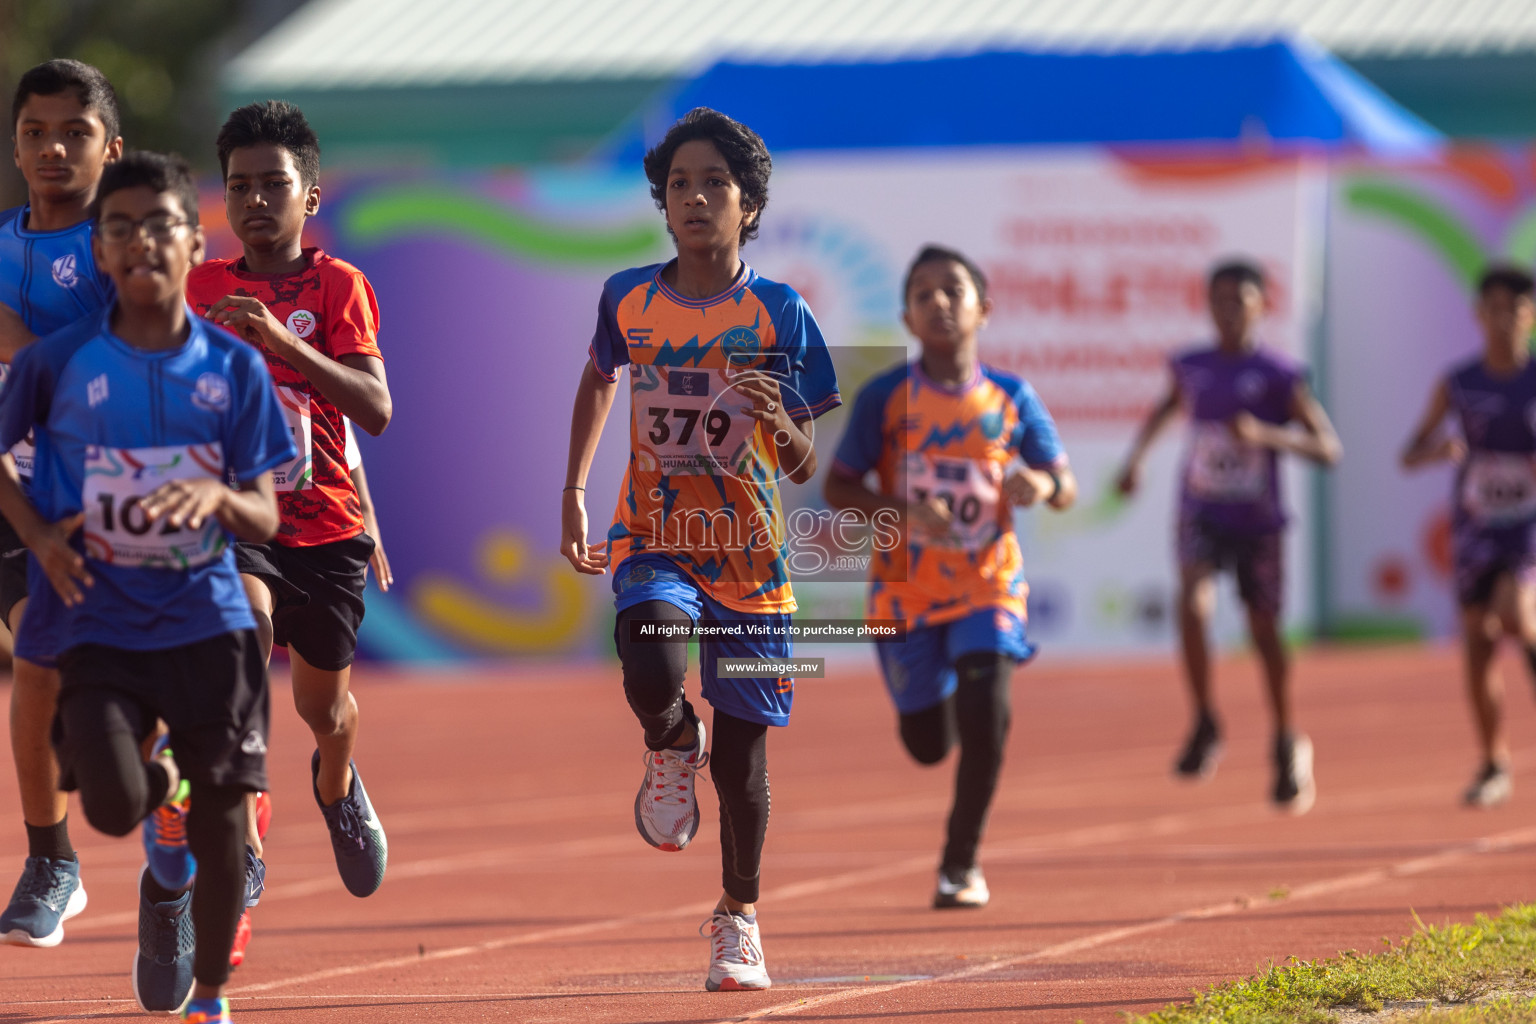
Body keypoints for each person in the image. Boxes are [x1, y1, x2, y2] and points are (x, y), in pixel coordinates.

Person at [0, 149, 294, 1023]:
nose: (139, 243)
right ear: (101, 252)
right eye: (119, 228)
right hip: (101, 625)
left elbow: (267, 515)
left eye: (159, 225)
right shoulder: (56, 364)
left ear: (193, 243)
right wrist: (41, 537)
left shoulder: (235, 369)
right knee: (114, 800)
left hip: (206, 624)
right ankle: (162, 796)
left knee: (224, 819)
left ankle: (211, 997)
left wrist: (214, 494)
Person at [560, 107, 839, 991]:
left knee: (744, 761)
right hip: (655, 534)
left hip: (749, 553)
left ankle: (739, 919)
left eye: (714, 183)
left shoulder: (781, 311)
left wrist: (771, 420)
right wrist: (573, 490)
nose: (694, 197)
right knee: (648, 661)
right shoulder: (628, 298)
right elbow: (599, 379)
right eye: (678, 184)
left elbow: (802, 461)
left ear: (748, 204)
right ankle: (669, 736)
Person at [183, 101, 391, 922]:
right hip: (240, 518)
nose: (256, 200)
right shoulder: (199, 289)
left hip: (328, 527)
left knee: (323, 710)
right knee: (243, 634)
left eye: (275, 184)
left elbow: (374, 407)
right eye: (240, 187)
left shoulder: (339, 287)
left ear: (310, 196)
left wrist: (284, 343)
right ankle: (247, 827)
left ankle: (336, 784)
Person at [825, 245, 1075, 908]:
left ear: (983, 310)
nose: (939, 303)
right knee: (928, 745)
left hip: (988, 582)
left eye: (953, 291)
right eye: (922, 294)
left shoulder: (1013, 398)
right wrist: (903, 511)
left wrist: (1040, 481)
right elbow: (839, 487)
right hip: (902, 592)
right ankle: (943, 702)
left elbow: (1066, 483)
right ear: (907, 318)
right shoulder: (885, 398)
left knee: (989, 707)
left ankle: (959, 863)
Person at [1116, 259, 1340, 815]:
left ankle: (1286, 736)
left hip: (1258, 523)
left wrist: (1265, 434)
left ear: (1263, 305)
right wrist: (1136, 460)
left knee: (1264, 633)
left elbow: (1327, 448)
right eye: (1218, 300)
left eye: (1240, 300)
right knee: (1191, 605)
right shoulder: (1190, 366)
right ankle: (1205, 721)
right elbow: (1167, 407)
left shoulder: (1280, 374)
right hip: (1201, 511)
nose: (1229, 311)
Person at [0, 57, 121, 948]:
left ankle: (183, 858)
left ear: (110, 148)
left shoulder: (124, 249)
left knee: (97, 693)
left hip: (114, 493)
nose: (53, 147)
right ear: (14, 146)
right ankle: (51, 860)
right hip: (13, 489)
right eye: (36, 132)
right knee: (37, 663)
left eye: (74, 131)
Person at [1401, 264, 1536, 808]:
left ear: (1530, 316)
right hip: (1475, 527)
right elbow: (1410, 453)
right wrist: (1440, 451)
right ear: (1478, 315)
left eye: (1515, 310)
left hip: (1528, 526)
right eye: (1493, 309)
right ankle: (1493, 762)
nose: (1503, 320)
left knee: (1513, 611)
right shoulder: (1458, 383)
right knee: (1478, 646)